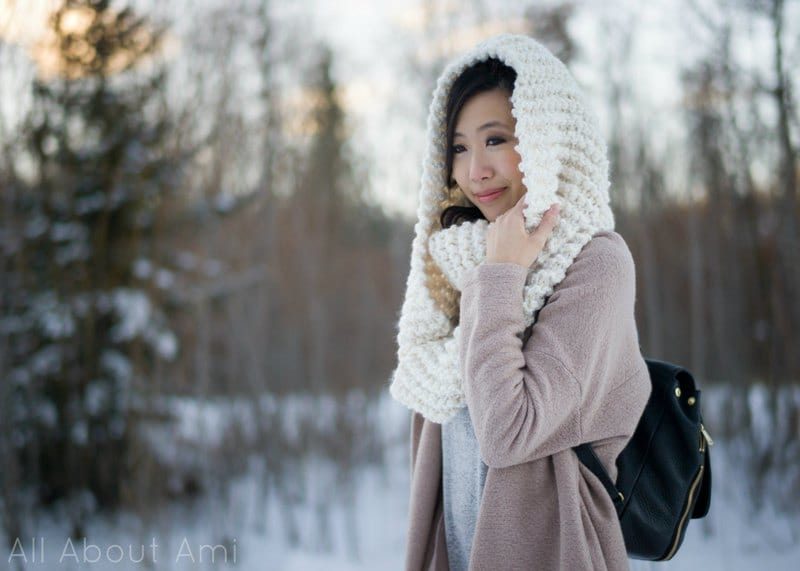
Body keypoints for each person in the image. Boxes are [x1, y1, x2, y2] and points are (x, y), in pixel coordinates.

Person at [389, 34, 652, 570]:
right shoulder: (463, 264)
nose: (474, 170)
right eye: (458, 147)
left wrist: (503, 276)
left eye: (496, 140)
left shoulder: (595, 263)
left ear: (543, 140)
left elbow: (509, 433)